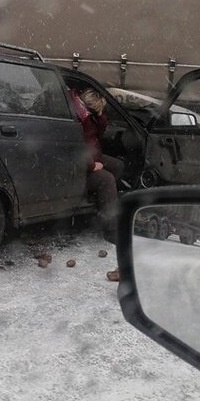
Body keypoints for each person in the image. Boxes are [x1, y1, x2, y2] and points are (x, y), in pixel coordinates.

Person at [71, 89, 125, 278]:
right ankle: (111, 230)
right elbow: (78, 148)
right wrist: (93, 166)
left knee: (118, 166)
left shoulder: (90, 117)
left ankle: (101, 200)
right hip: (83, 167)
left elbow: (100, 132)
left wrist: (101, 116)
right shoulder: (80, 121)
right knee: (107, 179)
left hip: (95, 157)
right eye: (99, 109)